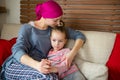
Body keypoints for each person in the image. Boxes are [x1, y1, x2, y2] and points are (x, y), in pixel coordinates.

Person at [0, 0, 86, 80]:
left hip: (40, 67)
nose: (59, 23)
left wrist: (71, 54)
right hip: (17, 64)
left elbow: (79, 36)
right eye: (55, 20)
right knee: (45, 77)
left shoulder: (54, 30)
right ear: (45, 16)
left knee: (51, 77)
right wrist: (37, 65)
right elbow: (17, 50)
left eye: (60, 19)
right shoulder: (27, 28)